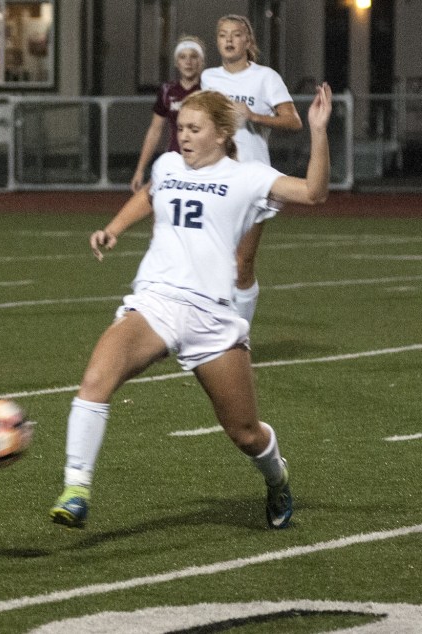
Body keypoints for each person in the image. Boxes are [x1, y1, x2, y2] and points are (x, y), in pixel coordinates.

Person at [49, 84, 332, 532]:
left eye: (194, 128)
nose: (182, 135)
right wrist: (113, 228)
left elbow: (314, 193)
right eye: (180, 127)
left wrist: (318, 131)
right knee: (95, 380)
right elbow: (150, 193)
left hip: (212, 316)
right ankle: (76, 489)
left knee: (245, 433)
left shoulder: (249, 177)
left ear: (221, 133)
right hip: (156, 303)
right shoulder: (167, 165)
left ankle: (276, 476)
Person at [200, 14, 303, 323]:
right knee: (210, 261)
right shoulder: (209, 79)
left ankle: (239, 334)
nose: (229, 40)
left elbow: (293, 121)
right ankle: (209, 328)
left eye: (235, 35)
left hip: (252, 180)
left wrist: (255, 117)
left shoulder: (265, 77)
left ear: (247, 41)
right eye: (222, 35)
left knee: (242, 263)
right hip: (216, 178)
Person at [130, 35, 206, 193]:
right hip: (175, 158)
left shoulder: (209, 89)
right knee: (157, 203)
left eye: (193, 57)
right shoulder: (167, 90)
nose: (188, 62)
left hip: (203, 161)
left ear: (201, 61)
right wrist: (140, 169)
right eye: (183, 57)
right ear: (177, 63)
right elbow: (155, 130)